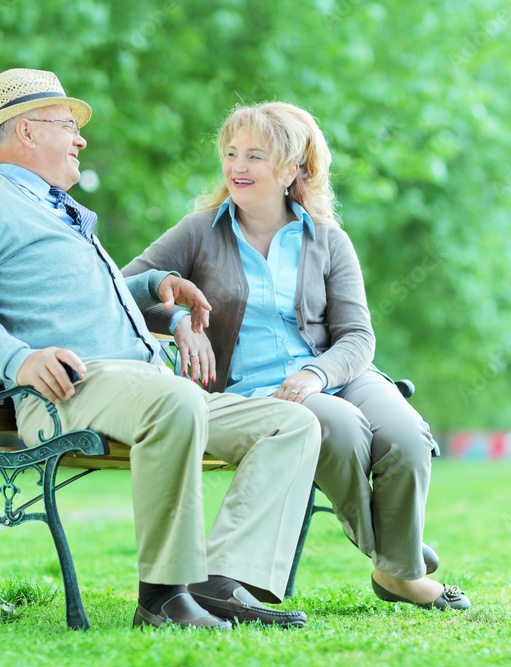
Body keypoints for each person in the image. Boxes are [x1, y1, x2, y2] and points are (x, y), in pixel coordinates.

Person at [0, 70, 322, 631]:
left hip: (141, 387)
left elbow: (82, 300)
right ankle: (161, 598)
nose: (81, 139)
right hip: (64, 390)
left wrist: (155, 286)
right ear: (27, 132)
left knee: (292, 424)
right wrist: (18, 360)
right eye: (68, 126)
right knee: (174, 399)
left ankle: (219, 582)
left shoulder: (61, 211)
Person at [123, 101, 471, 612]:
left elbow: (356, 336)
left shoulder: (329, 241)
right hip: (257, 390)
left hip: (337, 372)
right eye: (231, 153)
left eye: (255, 156)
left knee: (404, 435)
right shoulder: (199, 232)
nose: (237, 167)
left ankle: (394, 562)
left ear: (292, 170)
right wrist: (176, 320)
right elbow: (123, 290)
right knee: (344, 428)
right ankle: (397, 564)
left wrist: (315, 373)